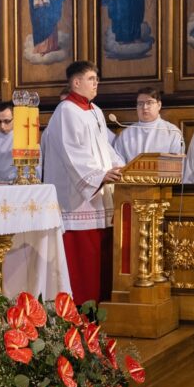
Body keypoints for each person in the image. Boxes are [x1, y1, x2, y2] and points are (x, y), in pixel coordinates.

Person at [42, 61, 125, 305]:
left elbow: (104, 146)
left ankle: (99, 306)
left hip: (98, 196)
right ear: (76, 82)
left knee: (98, 253)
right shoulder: (66, 111)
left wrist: (120, 166)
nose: (96, 83)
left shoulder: (95, 110)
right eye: (91, 79)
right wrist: (98, 176)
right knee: (82, 257)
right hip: (77, 199)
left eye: (96, 79)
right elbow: (72, 153)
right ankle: (79, 308)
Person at [113, 87, 184, 162]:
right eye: (140, 103)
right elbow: (118, 163)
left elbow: (178, 163)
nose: (144, 107)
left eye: (149, 103)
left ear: (159, 105)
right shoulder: (126, 134)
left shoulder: (172, 132)